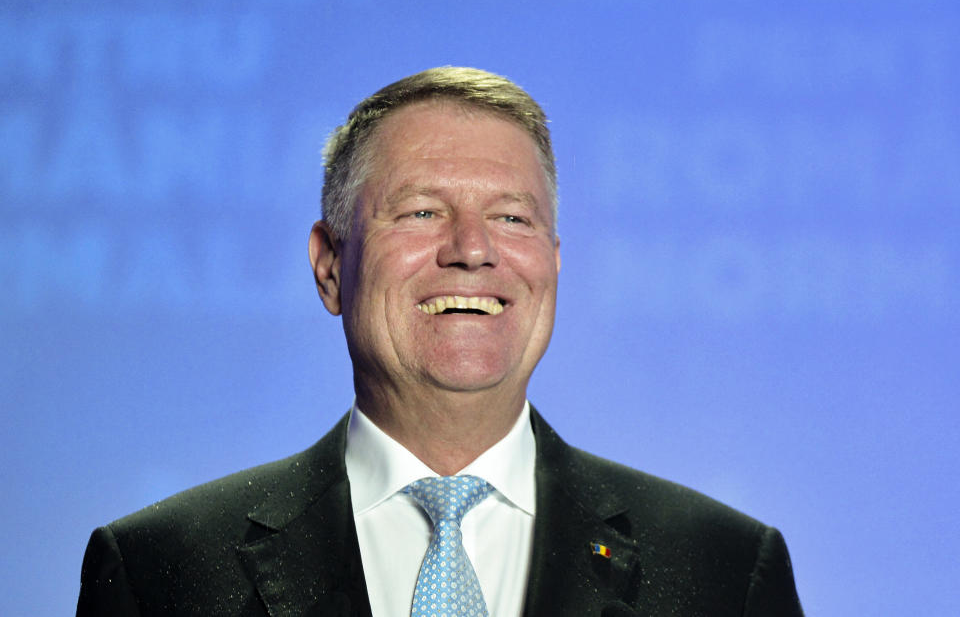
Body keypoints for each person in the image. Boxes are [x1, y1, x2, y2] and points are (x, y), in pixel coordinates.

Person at [76, 67, 804, 616]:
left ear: (553, 265)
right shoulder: (160, 571)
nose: (472, 249)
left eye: (512, 219)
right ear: (331, 267)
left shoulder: (724, 571)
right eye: (421, 211)